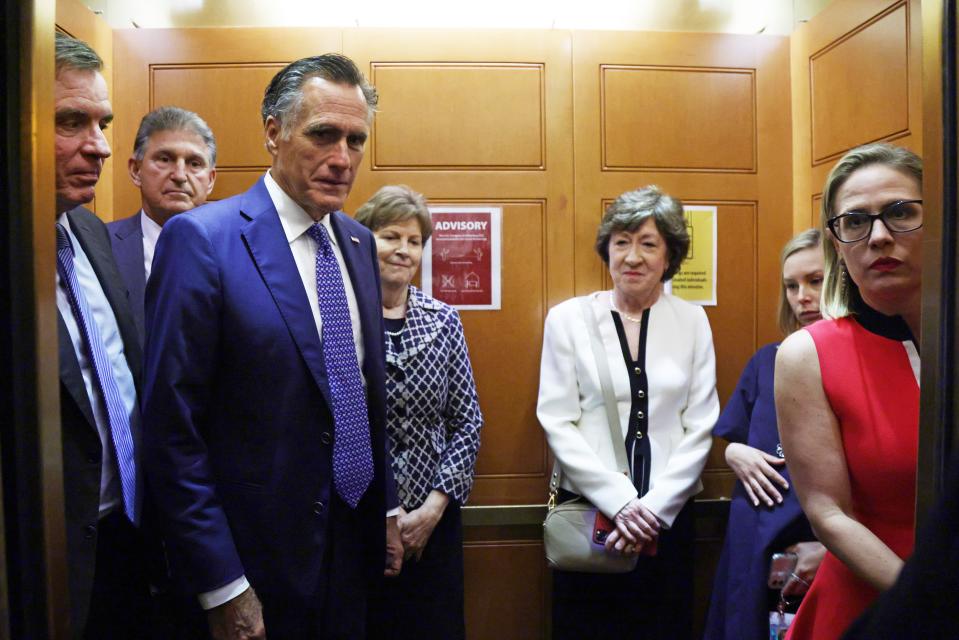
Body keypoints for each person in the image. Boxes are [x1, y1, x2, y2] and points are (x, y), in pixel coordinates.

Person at [141, 54, 402, 639]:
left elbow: (359, 394)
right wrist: (221, 584)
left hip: (351, 550)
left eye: (355, 140)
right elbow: (170, 429)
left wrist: (383, 509)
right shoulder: (204, 240)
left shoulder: (358, 243)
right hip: (252, 565)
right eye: (323, 135)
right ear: (273, 132)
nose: (342, 159)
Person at [537, 185, 720, 639]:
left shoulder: (692, 320)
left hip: (668, 520)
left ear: (669, 255)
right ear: (607, 250)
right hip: (592, 519)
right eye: (621, 242)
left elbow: (700, 423)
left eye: (648, 243)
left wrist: (654, 510)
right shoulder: (568, 320)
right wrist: (618, 501)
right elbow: (557, 419)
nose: (632, 257)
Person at [775, 143, 923, 639]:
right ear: (838, 243)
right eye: (856, 222)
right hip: (870, 607)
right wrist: (927, 601)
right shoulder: (808, 354)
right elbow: (828, 513)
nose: (879, 237)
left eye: (901, 213)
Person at [53, 32, 152, 638]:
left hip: (129, 534)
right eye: (72, 122)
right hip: (51, 552)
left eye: (104, 123)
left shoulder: (90, 234)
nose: (101, 147)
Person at [355, 185, 483, 639]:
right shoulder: (342, 318)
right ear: (363, 239)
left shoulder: (444, 319)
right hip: (360, 523)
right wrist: (385, 515)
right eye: (391, 237)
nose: (403, 250)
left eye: (414, 241)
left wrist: (433, 508)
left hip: (435, 523)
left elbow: (467, 420)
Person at [704, 229, 827, 640]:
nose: (801, 297)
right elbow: (733, 437)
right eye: (791, 286)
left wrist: (832, 552)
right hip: (751, 536)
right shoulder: (767, 361)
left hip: (814, 539)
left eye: (816, 281)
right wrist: (735, 452)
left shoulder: (859, 361)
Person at [109, 106, 217, 342]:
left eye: (194, 163)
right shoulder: (99, 246)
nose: (179, 175)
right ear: (136, 170)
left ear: (210, 181)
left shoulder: (239, 252)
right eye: (165, 159)